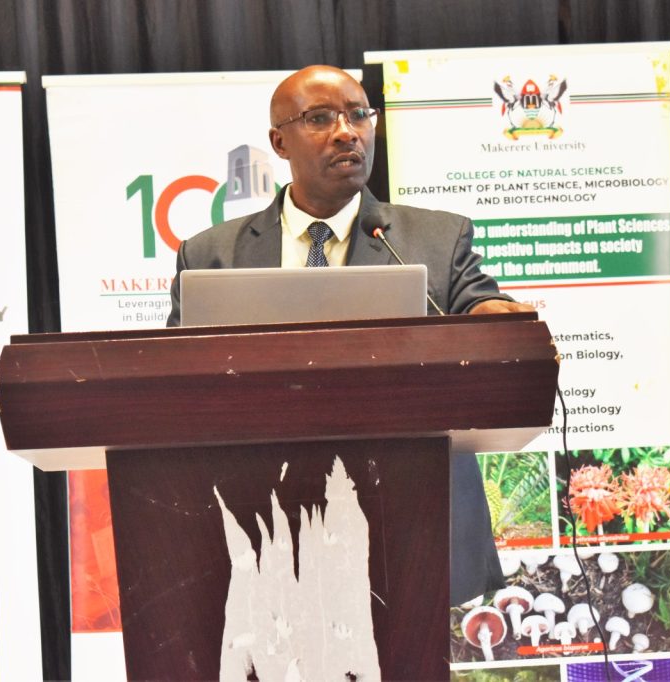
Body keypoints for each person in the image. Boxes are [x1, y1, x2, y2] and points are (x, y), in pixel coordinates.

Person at [166, 65, 534, 605]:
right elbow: (174, 384)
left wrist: (495, 317)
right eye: (320, 118)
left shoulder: (434, 236)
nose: (347, 131)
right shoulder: (211, 255)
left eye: (359, 114)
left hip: (410, 513)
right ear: (279, 142)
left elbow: (477, 302)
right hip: (265, 520)